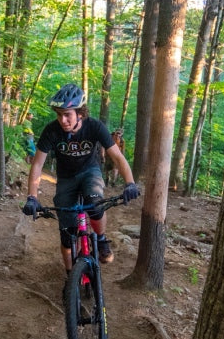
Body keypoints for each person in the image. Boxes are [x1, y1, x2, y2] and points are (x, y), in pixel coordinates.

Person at [22, 83, 139, 271]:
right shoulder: (51, 130)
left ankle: (100, 240)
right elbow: (37, 165)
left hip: (89, 172)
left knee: (95, 204)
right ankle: (70, 277)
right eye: (59, 114)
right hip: (66, 178)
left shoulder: (94, 127)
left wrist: (130, 183)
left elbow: (117, 157)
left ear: (80, 113)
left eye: (67, 114)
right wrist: (32, 197)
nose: (63, 120)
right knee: (67, 236)